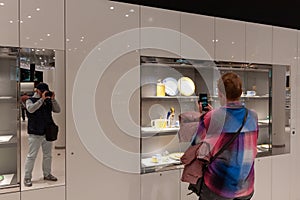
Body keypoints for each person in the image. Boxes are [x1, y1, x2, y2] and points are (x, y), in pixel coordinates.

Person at [193, 72, 258, 200]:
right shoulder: (253, 116)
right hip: (245, 186)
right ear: (240, 92)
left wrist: (203, 117)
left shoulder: (212, 117)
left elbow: (198, 147)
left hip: (219, 187)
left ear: (220, 93)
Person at [23, 82, 61, 187]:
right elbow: (31, 109)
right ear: (38, 91)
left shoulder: (48, 101)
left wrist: (52, 99)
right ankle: (27, 177)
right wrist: (41, 100)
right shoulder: (30, 100)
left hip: (47, 133)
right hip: (35, 133)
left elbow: (58, 110)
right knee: (31, 156)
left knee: (48, 155)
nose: (45, 93)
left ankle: (47, 174)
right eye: (43, 91)